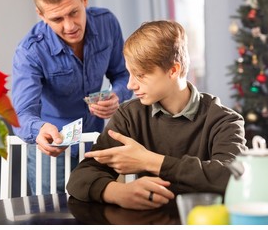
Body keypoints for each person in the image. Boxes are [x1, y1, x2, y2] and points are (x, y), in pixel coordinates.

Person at [66, 20, 248, 210]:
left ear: (173, 70)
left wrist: (149, 161)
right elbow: (81, 176)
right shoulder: (130, 116)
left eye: (140, 75)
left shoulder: (225, 121)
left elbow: (233, 177)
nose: (130, 85)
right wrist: (119, 193)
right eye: (130, 74)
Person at [11, 0, 132, 194]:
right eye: (57, 19)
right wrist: (39, 130)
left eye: (74, 12)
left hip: (95, 142)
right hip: (51, 149)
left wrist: (117, 94)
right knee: (53, 219)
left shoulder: (107, 23)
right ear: (40, 14)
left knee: (100, 212)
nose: (69, 26)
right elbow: (22, 114)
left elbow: (123, 75)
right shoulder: (29, 52)